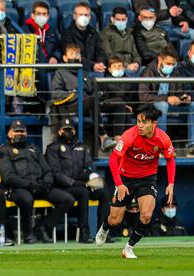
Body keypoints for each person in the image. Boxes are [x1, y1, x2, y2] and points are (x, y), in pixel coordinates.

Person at [95, 104, 176, 259]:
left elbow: (170, 160)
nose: (139, 125)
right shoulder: (129, 136)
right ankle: (104, 228)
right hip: (125, 178)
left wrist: (171, 183)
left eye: (144, 122)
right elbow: (113, 160)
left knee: (146, 215)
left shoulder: (163, 139)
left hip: (147, 178)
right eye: (138, 121)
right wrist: (119, 184)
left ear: (154, 123)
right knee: (115, 220)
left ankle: (129, 248)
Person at [0, 119, 75, 244]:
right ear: (10, 133)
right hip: (19, 188)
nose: (20, 134)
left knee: (68, 200)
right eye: (16, 131)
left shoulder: (33, 148)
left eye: (22, 131)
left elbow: (47, 170)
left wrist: (47, 184)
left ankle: (43, 226)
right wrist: (29, 185)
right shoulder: (3, 151)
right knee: (27, 200)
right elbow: (8, 177)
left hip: (39, 186)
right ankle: (28, 233)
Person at [45, 118, 112, 243]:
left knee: (104, 192)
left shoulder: (81, 147)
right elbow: (55, 173)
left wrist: (86, 176)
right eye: (65, 130)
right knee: (83, 192)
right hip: (64, 186)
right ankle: (83, 231)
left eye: (70, 130)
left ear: (74, 131)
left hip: (83, 182)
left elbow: (89, 166)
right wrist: (73, 182)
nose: (68, 132)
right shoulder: (53, 148)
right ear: (59, 131)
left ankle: (102, 232)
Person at [51, 44, 117, 152]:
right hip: (70, 105)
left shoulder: (84, 73)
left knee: (118, 102)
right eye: (71, 54)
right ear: (65, 58)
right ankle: (104, 137)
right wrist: (75, 95)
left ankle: (120, 142)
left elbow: (91, 90)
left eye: (77, 54)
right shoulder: (60, 72)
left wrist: (99, 94)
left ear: (80, 57)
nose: (74, 56)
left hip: (88, 105)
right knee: (91, 101)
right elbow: (56, 93)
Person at [139, 45, 194, 154]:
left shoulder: (175, 71)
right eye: (168, 64)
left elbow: (178, 91)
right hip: (152, 106)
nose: (171, 66)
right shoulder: (148, 71)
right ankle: (161, 146)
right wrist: (166, 98)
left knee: (192, 105)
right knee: (163, 105)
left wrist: (183, 97)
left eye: (173, 64)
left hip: (172, 105)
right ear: (160, 59)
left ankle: (192, 145)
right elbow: (143, 96)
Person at [61, 1, 106, 76]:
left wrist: (100, 63)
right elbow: (73, 55)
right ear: (74, 16)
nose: (84, 17)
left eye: (86, 15)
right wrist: (92, 65)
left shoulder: (94, 33)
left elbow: (100, 52)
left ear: (90, 17)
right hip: (76, 71)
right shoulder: (67, 34)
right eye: (81, 15)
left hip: (94, 69)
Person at [98, 56, 136, 141]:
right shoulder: (104, 80)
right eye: (114, 66)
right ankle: (119, 137)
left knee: (126, 110)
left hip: (123, 107)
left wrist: (127, 104)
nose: (117, 68)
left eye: (120, 66)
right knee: (120, 103)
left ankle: (127, 140)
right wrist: (123, 102)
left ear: (124, 68)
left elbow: (131, 96)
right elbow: (104, 97)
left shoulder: (128, 80)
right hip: (107, 105)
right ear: (109, 69)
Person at [99, 7, 141, 76]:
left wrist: (136, 63)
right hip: (117, 67)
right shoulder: (105, 34)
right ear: (112, 19)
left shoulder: (130, 33)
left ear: (127, 19)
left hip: (132, 66)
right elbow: (108, 55)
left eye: (123, 20)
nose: (121, 22)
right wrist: (126, 66)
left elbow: (136, 54)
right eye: (118, 19)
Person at [177, 40, 194, 155]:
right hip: (188, 100)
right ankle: (193, 144)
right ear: (189, 53)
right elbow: (186, 89)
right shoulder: (182, 67)